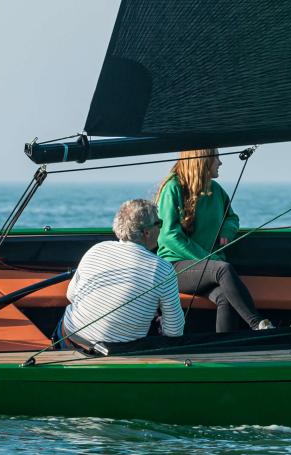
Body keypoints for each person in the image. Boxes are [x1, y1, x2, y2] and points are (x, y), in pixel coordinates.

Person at [155, 148, 273, 333]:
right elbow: (169, 235)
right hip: (174, 267)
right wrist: (209, 259)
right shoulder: (173, 187)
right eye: (216, 157)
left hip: (206, 269)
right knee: (223, 269)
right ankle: (259, 325)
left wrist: (227, 230)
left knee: (226, 297)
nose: (220, 162)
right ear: (202, 160)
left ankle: (225, 346)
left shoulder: (216, 190)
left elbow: (231, 217)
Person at [59, 198, 183, 349]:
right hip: (116, 352)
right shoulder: (163, 269)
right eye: (159, 223)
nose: (160, 228)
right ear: (147, 232)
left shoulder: (96, 249)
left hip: (70, 338)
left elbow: (71, 295)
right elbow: (174, 331)